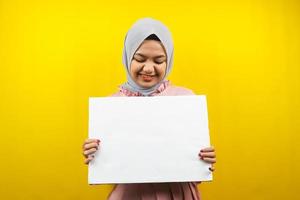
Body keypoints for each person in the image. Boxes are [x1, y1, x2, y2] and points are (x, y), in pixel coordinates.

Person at [82, 18, 216, 200]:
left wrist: (203, 159)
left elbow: (194, 166)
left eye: (159, 61)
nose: (148, 68)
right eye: (140, 58)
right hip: (129, 195)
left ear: (168, 61)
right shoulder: (111, 106)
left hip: (177, 194)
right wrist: (95, 154)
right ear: (128, 56)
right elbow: (106, 171)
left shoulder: (185, 99)